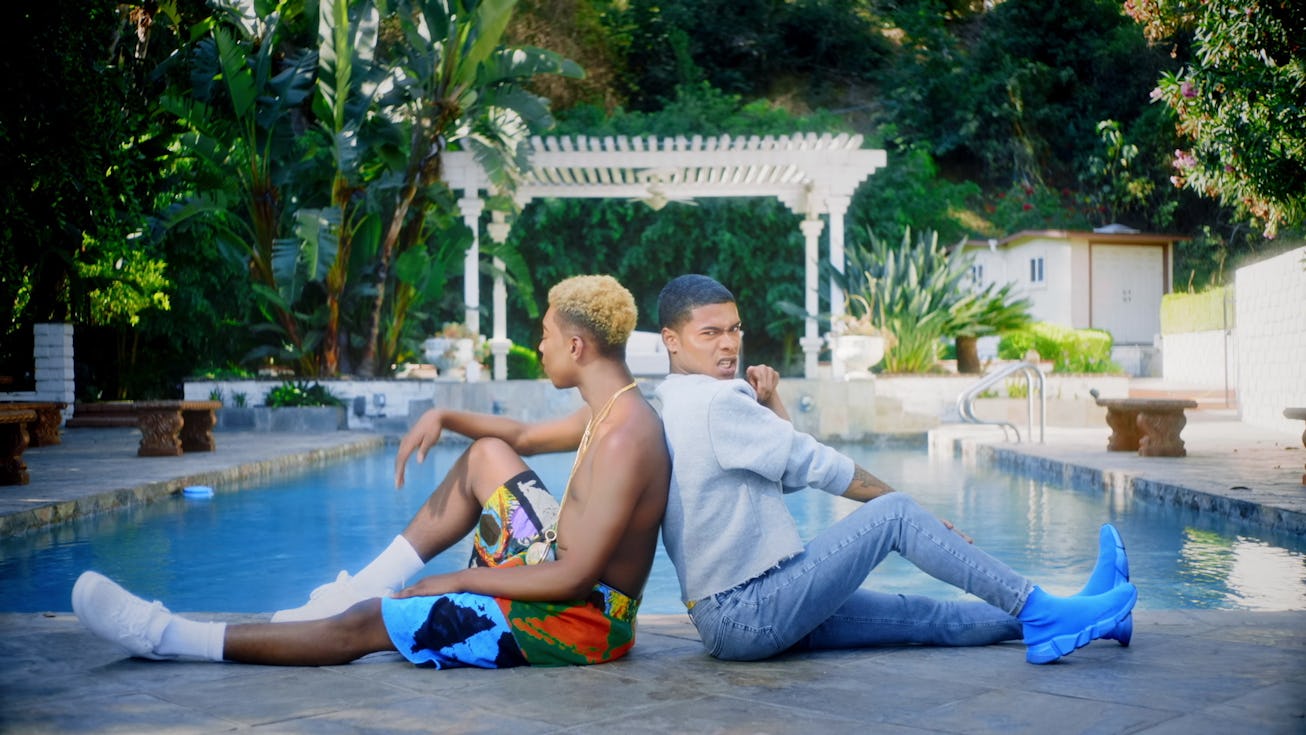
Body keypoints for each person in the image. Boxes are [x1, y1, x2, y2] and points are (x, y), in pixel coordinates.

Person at [72, 274, 670, 669]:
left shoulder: (626, 437)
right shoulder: (609, 406)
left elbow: (575, 579)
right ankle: (367, 581)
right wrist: (442, 413)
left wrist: (457, 582)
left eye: (544, 336)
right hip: (559, 574)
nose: (537, 347)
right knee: (486, 453)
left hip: (579, 622)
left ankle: (169, 638)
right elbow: (522, 438)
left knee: (366, 626)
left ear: (576, 347)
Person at [653, 274, 1135, 665]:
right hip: (751, 609)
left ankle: (1079, 616)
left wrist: (771, 398)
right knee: (897, 513)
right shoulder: (717, 399)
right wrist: (917, 516)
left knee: (926, 617)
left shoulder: (675, 399)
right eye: (710, 333)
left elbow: (785, 471)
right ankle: (1042, 610)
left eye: (735, 329)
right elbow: (813, 464)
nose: (729, 344)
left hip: (737, 618)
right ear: (672, 340)